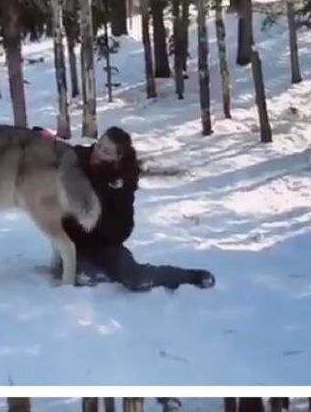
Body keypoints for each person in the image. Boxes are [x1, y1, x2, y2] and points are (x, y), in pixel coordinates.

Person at [63, 126, 215, 294]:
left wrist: (94, 220)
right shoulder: (77, 158)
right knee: (83, 277)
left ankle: (191, 276)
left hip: (105, 244)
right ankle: (94, 271)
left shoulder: (122, 181)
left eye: (106, 152)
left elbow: (123, 228)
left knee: (135, 278)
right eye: (98, 146)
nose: (97, 152)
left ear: (117, 158)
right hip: (73, 244)